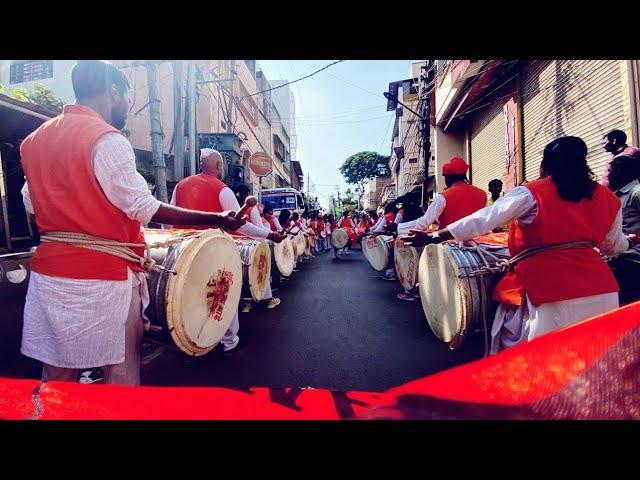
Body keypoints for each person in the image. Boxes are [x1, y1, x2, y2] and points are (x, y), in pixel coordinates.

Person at [19, 60, 245, 385]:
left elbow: (30, 202)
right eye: (126, 97)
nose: (126, 106)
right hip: (103, 279)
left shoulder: (35, 140)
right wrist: (219, 219)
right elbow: (143, 207)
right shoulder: (106, 139)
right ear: (113, 91)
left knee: (57, 374)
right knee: (121, 373)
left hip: (51, 279)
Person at [402, 136, 636, 354]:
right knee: (592, 357)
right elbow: (612, 247)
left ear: (546, 164)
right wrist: (629, 241)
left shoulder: (532, 192)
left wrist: (435, 236)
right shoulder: (608, 198)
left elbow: (485, 219)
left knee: (541, 361)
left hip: (548, 291)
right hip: (602, 291)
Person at [171, 148, 285, 347]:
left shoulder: (180, 186)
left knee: (192, 296)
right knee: (225, 292)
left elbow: (169, 220)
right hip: (213, 251)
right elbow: (239, 223)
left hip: (183, 251)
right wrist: (270, 235)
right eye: (221, 164)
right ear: (218, 165)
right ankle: (228, 341)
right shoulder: (222, 189)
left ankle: (193, 337)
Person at [606, 154, 640, 305]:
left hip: (634, 261)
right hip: (622, 259)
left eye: (611, 171)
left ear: (620, 171)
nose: (608, 175)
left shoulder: (637, 191)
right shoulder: (618, 195)